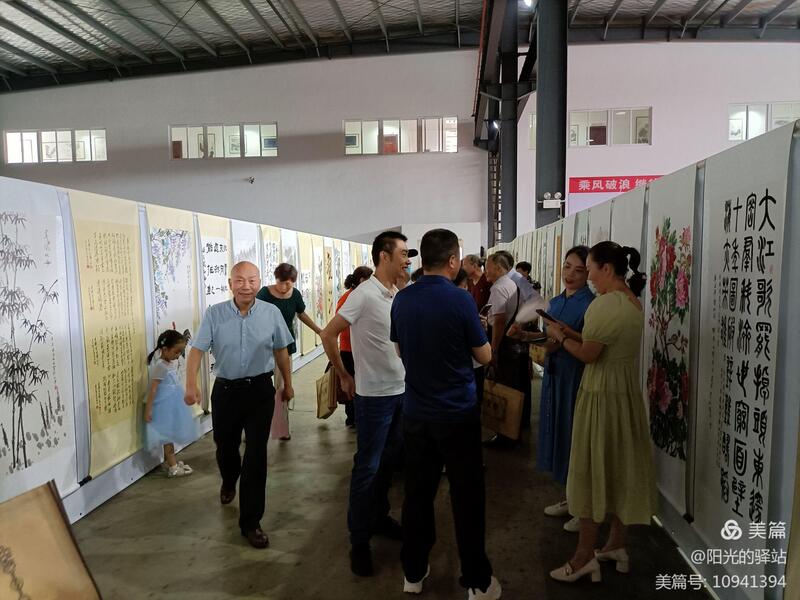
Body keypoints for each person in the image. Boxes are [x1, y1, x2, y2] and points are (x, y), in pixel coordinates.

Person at [391, 229, 501, 599]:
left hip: (416, 413)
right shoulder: (460, 300)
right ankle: (477, 582)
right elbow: (484, 355)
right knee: (466, 497)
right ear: (453, 260)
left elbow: (399, 351)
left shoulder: (403, 299)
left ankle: (413, 572)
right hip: (457, 414)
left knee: (417, 494)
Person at [547, 242, 655, 583]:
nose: (588, 277)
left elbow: (589, 355)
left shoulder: (604, 304)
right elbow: (604, 344)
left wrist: (559, 337)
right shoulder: (631, 301)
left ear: (606, 269)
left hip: (600, 395)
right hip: (624, 395)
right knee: (620, 469)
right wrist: (571, 332)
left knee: (590, 470)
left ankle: (583, 558)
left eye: (589, 269)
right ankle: (616, 544)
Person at [320, 232, 415, 576]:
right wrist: (344, 375)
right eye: (403, 253)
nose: (407, 260)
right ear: (383, 256)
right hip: (374, 397)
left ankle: (379, 517)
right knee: (367, 468)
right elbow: (328, 333)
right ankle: (359, 541)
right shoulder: (363, 295)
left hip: (401, 392)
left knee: (388, 463)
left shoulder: (396, 294)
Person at [184, 261, 295, 549]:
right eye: (240, 280)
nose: (246, 286)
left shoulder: (271, 313)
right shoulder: (215, 313)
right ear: (230, 283)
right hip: (226, 392)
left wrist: (287, 383)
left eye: (252, 280)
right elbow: (196, 351)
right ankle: (228, 478)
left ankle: (251, 522)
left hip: (260, 390)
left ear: (259, 282)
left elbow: (281, 350)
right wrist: (191, 384)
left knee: (256, 455)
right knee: (226, 447)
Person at [509, 246, 594, 533]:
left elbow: (582, 344)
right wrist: (525, 335)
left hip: (576, 376)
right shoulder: (556, 302)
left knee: (576, 438)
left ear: (590, 273)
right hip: (555, 374)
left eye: (579, 270)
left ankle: (583, 507)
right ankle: (570, 497)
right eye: (567, 266)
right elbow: (550, 341)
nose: (570, 274)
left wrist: (556, 337)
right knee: (558, 432)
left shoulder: (590, 305)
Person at [256, 263, 322, 441]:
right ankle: (253, 428)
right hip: (263, 346)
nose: (284, 287)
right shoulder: (264, 294)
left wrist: (319, 331)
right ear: (275, 279)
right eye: (281, 282)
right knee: (258, 387)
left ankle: (281, 428)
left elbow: (301, 314)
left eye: (288, 283)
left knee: (283, 387)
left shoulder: (295, 295)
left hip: (285, 346)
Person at [483, 253, 531, 447]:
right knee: (514, 388)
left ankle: (506, 436)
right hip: (514, 344)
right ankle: (514, 431)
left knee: (505, 389)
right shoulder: (512, 285)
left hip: (505, 345)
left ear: (498, 267)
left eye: (488, 267)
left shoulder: (499, 287)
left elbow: (499, 321)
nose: (486, 271)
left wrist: (493, 350)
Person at [144, 329, 196, 478]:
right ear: (165, 349)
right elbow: (153, 389)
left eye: (180, 352)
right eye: (176, 352)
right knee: (167, 438)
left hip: (171, 405)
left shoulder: (168, 363)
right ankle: (172, 467)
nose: (178, 355)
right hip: (164, 407)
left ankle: (173, 463)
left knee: (170, 437)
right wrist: (148, 409)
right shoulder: (160, 366)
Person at [337, 266, 374, 428]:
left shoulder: (349, 296)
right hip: (350, 349)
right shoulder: (352, 298)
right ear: (362, 280)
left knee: (355, 383)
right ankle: (354, 417)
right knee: (354, 383)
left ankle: (352, 417)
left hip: (352, 348)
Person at [456, 268, 486, 406]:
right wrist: (479, 328)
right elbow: (485, 356)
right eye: (464, 285)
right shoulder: (464, 300)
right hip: (469, 367)